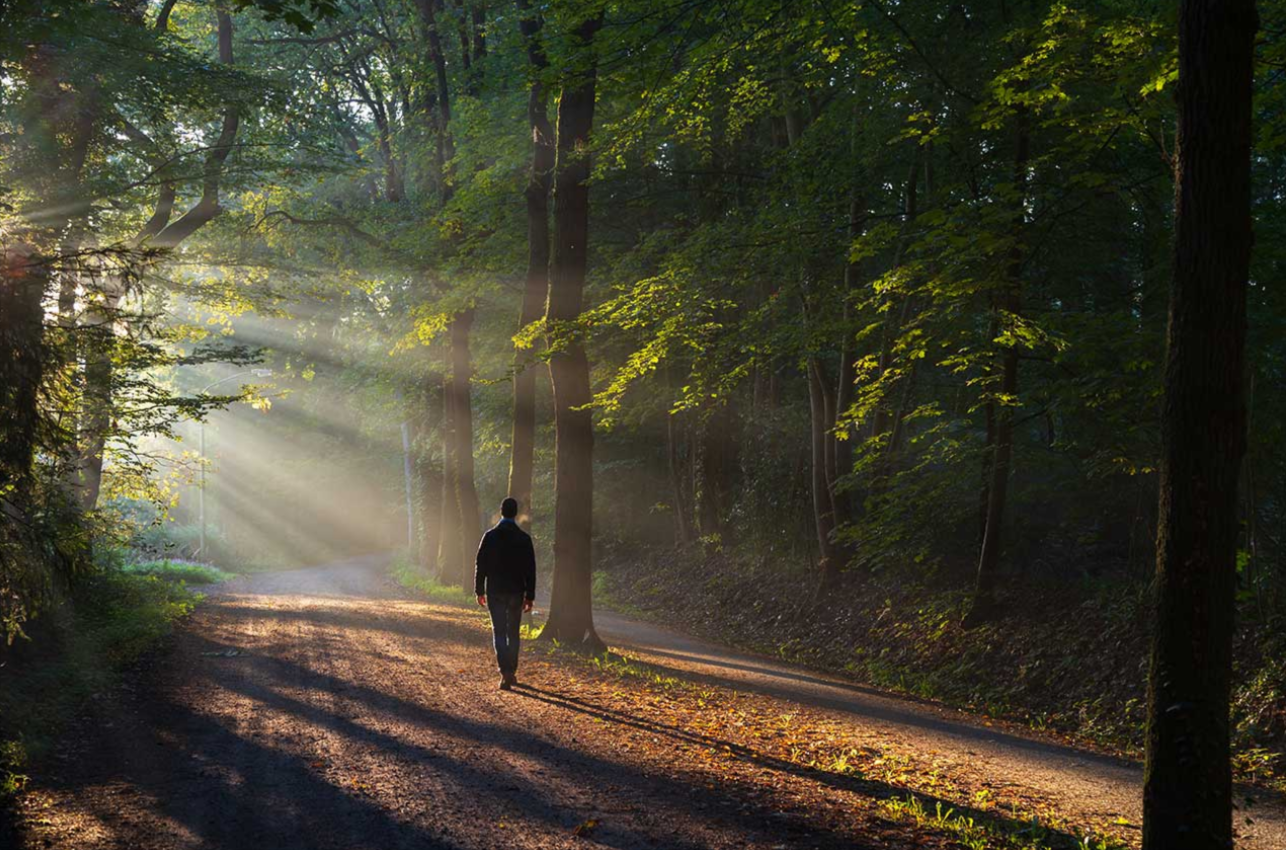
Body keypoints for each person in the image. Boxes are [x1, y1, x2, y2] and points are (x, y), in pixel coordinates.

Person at [474, 497, 536, 690]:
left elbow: (480, 564)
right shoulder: (524, 538)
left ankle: (505, 672)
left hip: (495, 591)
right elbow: (530, 569)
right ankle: (512, 670)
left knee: (499, 631)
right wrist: (530, 595)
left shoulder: (490, 536)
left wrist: (479, 590)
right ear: (516, 514)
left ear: (501, 512)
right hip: (517, 591)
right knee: (513, 632)